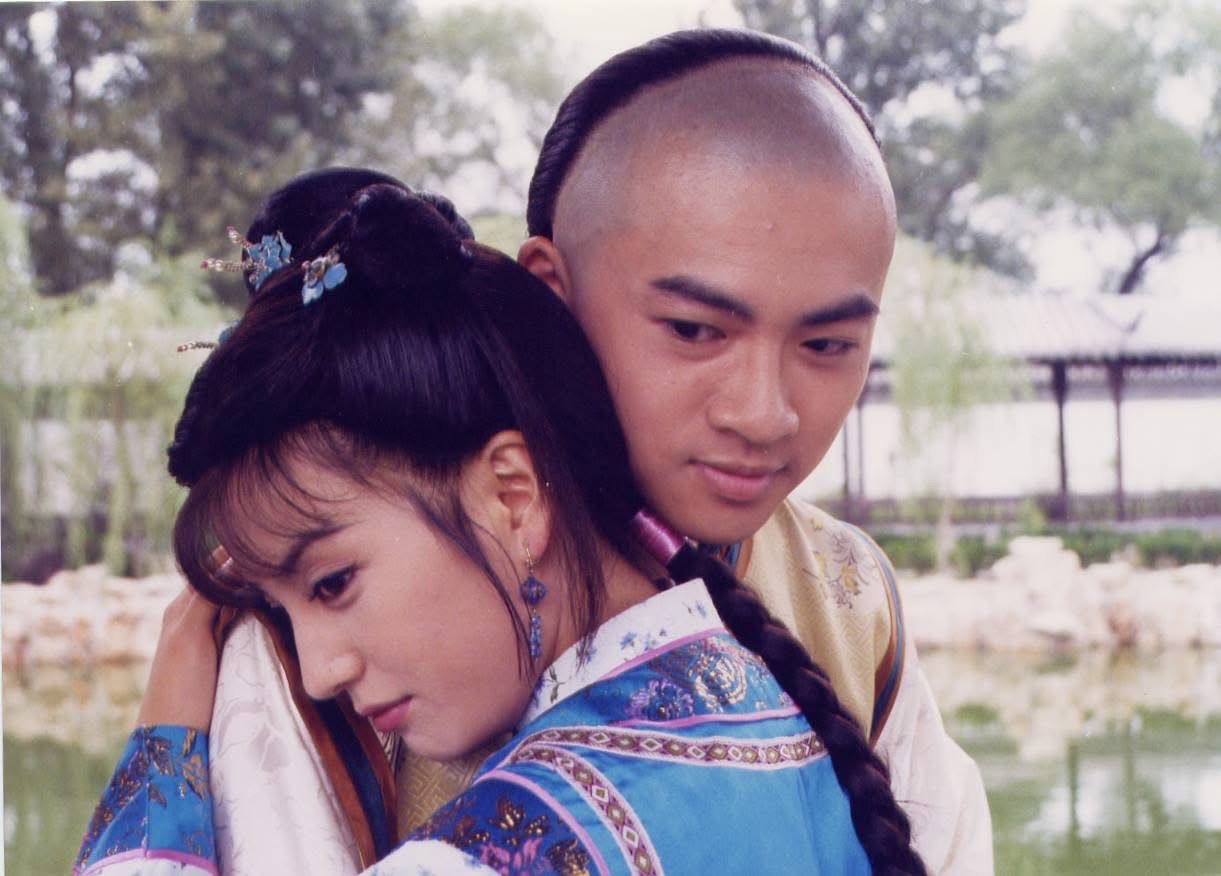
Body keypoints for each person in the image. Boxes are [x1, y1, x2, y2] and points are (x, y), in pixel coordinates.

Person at [74, 175, 925, 873]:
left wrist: (166, 726)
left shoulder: (505, 847)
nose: (321, 670)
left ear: (512, 496)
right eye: (285, 610)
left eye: (332, 584)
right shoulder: (784, 727)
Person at [509, 28, 993, 873]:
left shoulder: (848, 599)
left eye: (826, 345)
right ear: (550, 296)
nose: (764, 415)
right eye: (694, 330)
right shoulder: (362, 584)